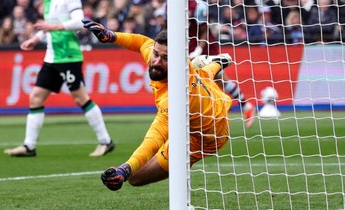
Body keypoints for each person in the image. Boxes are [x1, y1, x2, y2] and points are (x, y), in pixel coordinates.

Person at [81, 20, 232, 190]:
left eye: (165, 58)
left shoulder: (176, 99)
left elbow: (154, 139)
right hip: (203, 92)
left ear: (178, 62)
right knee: (203, 72)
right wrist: (111, 36)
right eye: (156, 54)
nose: (156, 62)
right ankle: (219, 61)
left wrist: (125, 169)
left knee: (135, 178)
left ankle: (217, 62)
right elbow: (142, 42)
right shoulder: (158, 58)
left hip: (205, 137)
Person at [4, 0, 114, 157]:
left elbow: (80, 21)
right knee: (36, 97)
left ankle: (106, 142)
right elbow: (50, 25)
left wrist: (53, 28)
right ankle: (29, 146)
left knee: (81, 98)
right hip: (52, 56)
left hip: (69, 55)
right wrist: (36, 38)